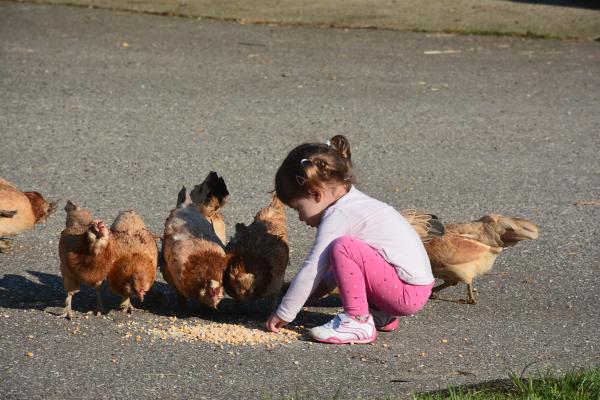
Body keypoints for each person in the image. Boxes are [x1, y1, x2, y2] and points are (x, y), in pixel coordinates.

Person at [265, 135, 435, 344]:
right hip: (415, 288)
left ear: (316, 194)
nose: (300, 217)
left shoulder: (339, 215)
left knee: (343, 247)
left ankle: (357, 320)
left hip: (405, 294)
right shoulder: (355, 203)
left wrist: (284, 312)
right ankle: (379, 314)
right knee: (346, 251)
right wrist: (315, 291)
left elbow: (313, 269)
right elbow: (345, 269)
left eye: (298, 208)